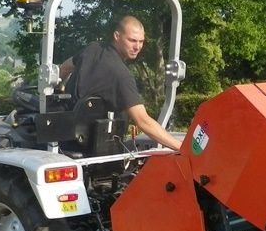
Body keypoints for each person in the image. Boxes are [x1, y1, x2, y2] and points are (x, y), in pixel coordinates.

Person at [55, 15, 182, 151]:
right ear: (117, 36)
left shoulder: (91, 49)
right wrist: (181, 147)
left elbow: (64, 68)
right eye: (132, 40)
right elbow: (142, 121)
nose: (137, 47)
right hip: (99, 147)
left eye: (141, 42)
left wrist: (58, 89)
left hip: (66, 139)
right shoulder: (121, 75)